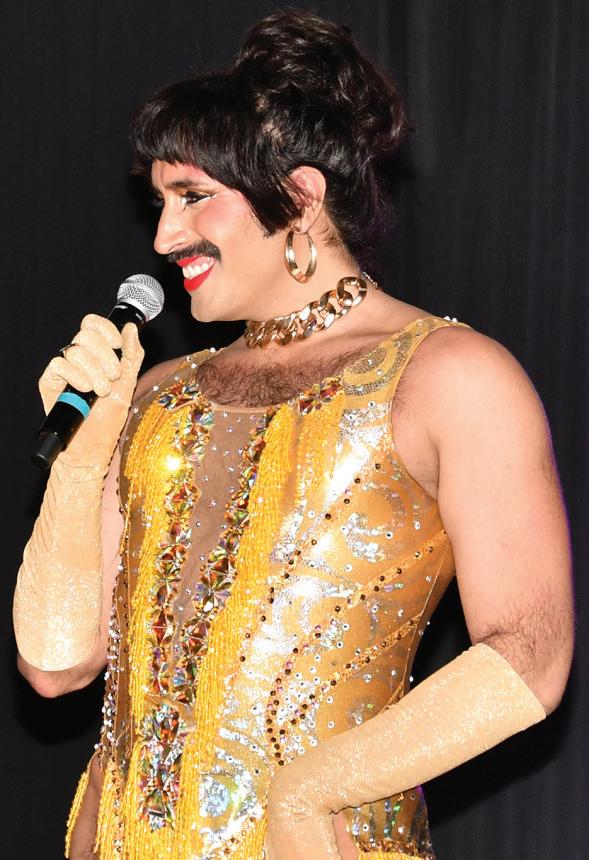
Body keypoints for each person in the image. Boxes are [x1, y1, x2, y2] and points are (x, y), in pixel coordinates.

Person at [13, 9, 573, 860]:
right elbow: (55, 666)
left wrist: (310, 791)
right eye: (160, 202)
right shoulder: (160, 395)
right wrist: (80, 464)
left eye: (193, 197)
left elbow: (530, 657)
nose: (163, 237)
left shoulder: (448, 375)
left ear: (301, 198)